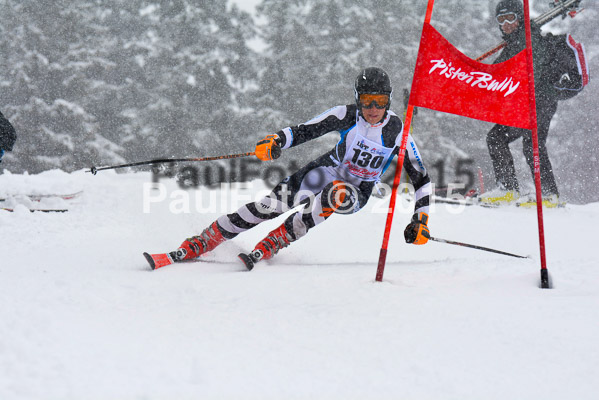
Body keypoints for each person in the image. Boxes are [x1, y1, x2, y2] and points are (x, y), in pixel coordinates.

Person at [145, 67, 432, 270]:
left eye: (380, 101)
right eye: (367, 100)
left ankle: (278, 238)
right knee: (270, 206)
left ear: (389, 101)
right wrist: (277, 140)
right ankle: (205, 240)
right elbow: (306, 130)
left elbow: (422, 178)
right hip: (326, 169)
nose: (373, 108)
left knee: (337, 194)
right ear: (358, 98)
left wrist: (421, 219)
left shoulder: (399, 132)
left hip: (357, 189)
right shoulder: (347, 115)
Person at [481, 0, 586, 207]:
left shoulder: (532, 39)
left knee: (533, 144)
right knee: (496, 137)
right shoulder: (511, 47)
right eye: (501, 20)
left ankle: (548, 194)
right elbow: (494, 78)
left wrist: (549, 90)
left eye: (510, 17)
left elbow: (535, 64)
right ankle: (508, 189)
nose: (506, 24)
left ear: (520, 18)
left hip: (541, 102)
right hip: (522, 106)